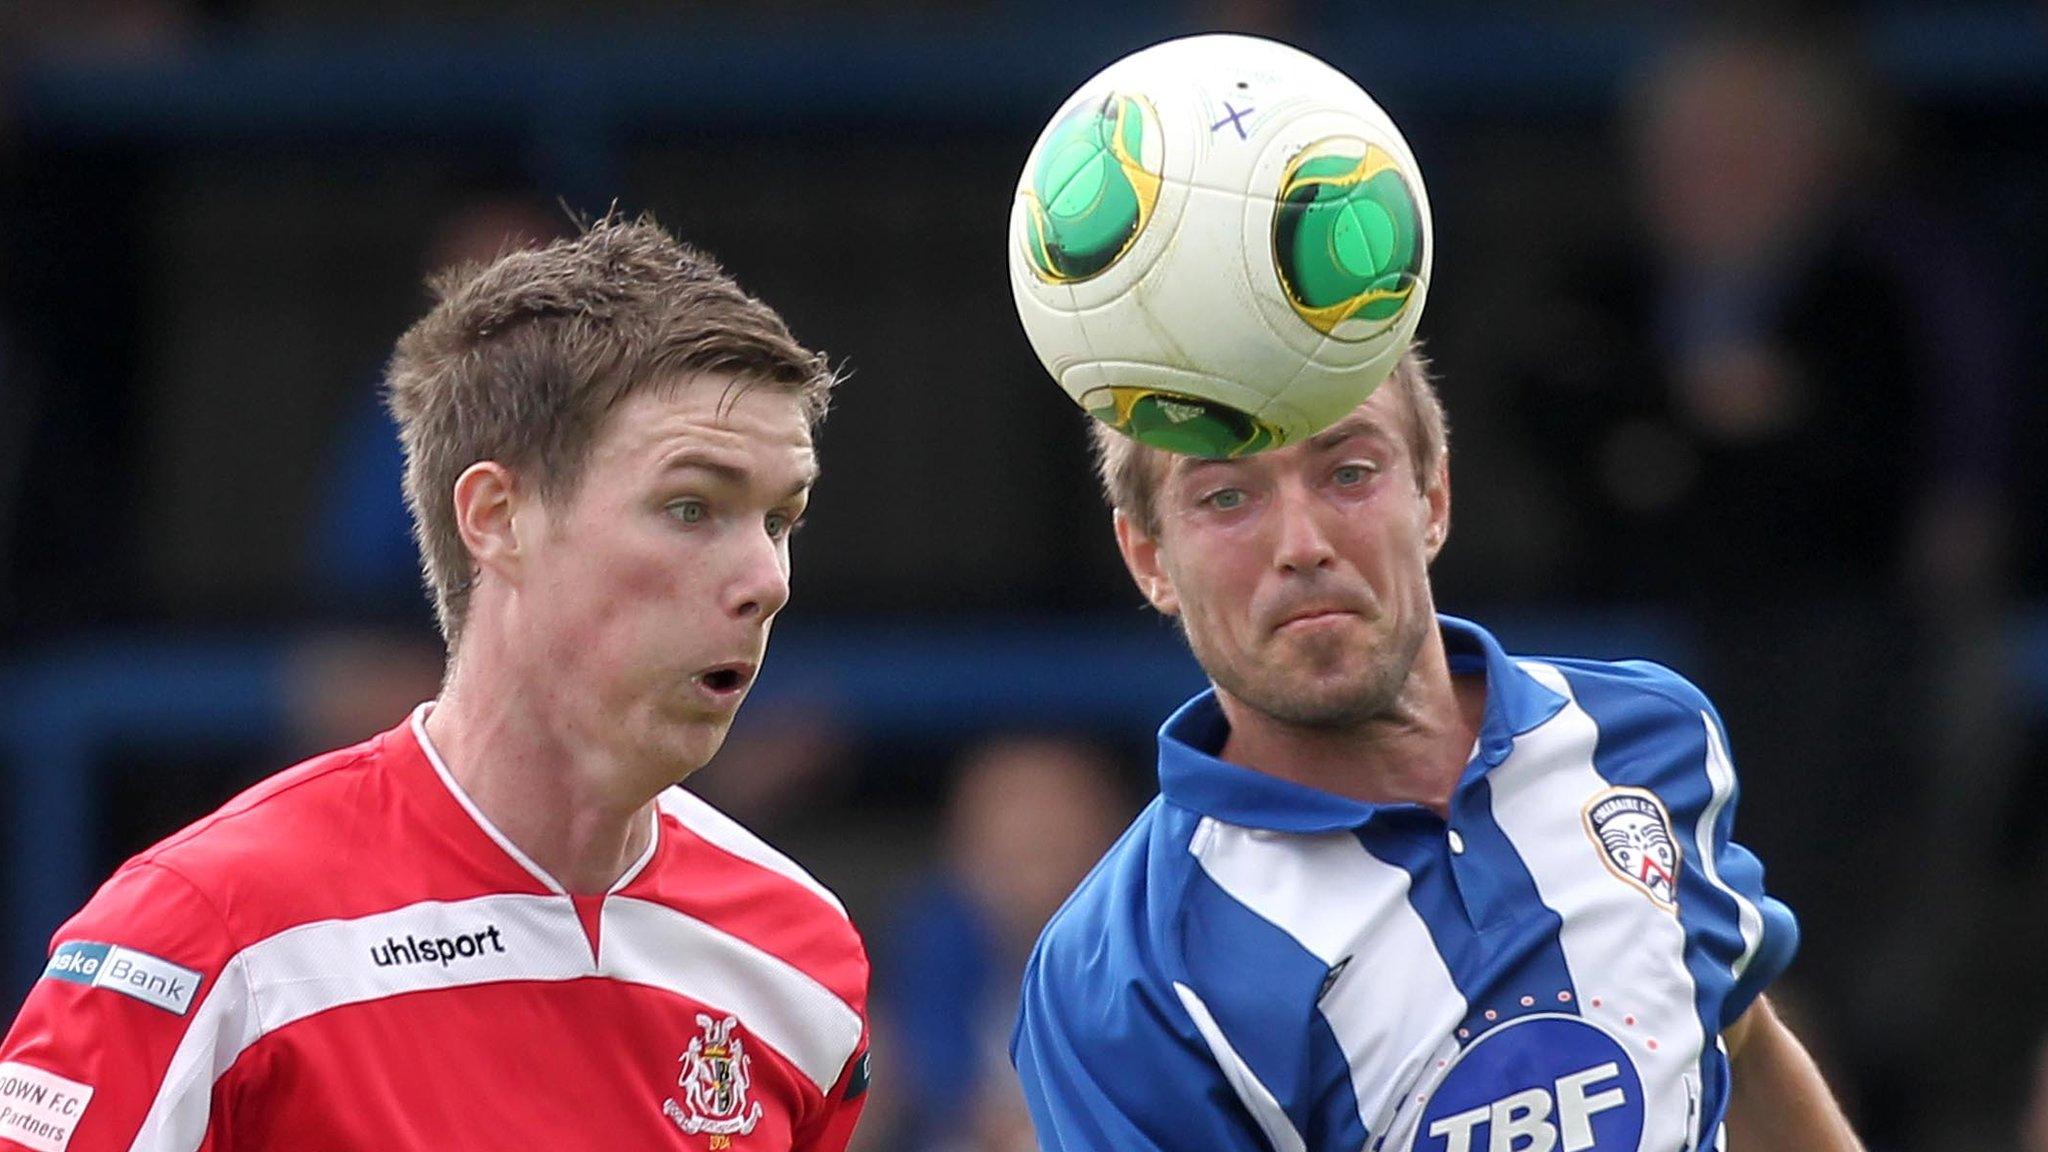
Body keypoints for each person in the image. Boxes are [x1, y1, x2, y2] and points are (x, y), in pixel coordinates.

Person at [0, 216, 872, 1151]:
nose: (767, 579)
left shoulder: (800, 960)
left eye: (781, 520)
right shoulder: (203, 935)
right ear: (497, 517)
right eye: (691, 506)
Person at [1010, 350, 1862, 1151]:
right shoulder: (1125, 972)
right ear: (1149, 557)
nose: (1302, 543)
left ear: (1435, 496)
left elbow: (1738, 1037)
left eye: (1348, 472)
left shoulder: (1647, 737)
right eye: (1228, 497)